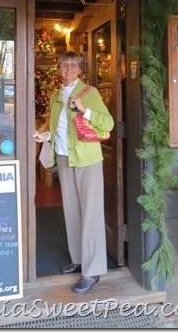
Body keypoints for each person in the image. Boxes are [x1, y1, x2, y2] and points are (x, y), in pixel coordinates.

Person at [33, 51, 114, 294]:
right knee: (71, 210)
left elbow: (107, 123)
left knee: (90, 212)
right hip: (65, 158)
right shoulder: (56, 95)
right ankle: (78, 258)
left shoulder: (89, 93)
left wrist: (84, 110)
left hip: (87, 159)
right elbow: (54, 124)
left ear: (80, 69)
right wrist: (43, 134)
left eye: (73, 64)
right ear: (58, 68)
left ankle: (92, 271)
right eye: (64, 64)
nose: (68, 68)